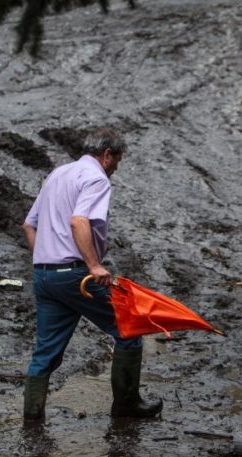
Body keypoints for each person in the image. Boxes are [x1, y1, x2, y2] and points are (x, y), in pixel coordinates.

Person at [21, 127, 162, 421]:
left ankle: (31, 420)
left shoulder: (58, 174)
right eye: (117, 161)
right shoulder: (96, 178)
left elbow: (28, 224)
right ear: (107, 154)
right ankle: (126, 408)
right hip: (76, 276)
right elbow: (78, 221)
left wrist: (44, 258)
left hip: (45, 277)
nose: (116, 169)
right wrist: (95, 265)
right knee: (129, 328)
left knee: (44, 353)